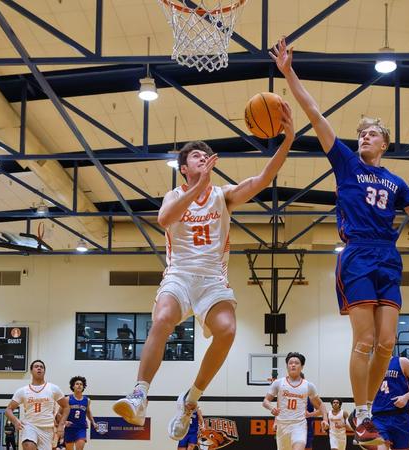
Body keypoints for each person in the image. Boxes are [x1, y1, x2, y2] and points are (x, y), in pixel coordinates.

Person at [270, 37, 409, 446]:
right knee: (365, 340)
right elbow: (315, 113)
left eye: (372, 134)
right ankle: (361, 411)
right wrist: (289, 72)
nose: (364, 138)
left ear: (384, 143)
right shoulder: (345, 163)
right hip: (357, 252)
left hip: (388, 257)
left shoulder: (395, 181)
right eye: (361, 133)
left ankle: (366, 411)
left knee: (388, 343)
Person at [113, 103, 295, 444]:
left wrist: (288, 140)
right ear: (183, 168)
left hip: (212, 279)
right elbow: (164, 220)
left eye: (205, 155)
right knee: (162, 319)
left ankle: (191, 399)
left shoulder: (222, 196)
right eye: (195, 156)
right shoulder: (174, 195)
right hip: (180, 275)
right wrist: (199, 186)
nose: (202, 158)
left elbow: (263, 179)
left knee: (228, 330)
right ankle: (139, 394)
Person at [262, 353, 329, 450]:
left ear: (302, 367)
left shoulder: (308, 385)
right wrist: (271, 408)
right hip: (282, 425)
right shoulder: (278, 383)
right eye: (290, 363)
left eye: (296, 363)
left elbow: (320, 404)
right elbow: (265, 401)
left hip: (299, 425)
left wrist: (325, 419)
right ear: (287, 366)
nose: (293, 365)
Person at [5, 360, 69, 450]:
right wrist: (15, 421)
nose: (39, 368)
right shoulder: (23, 391)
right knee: (28, 445)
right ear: (31, 371)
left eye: (41, 367)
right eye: (36, 366)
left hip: (47, 428)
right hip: (30, 425)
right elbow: (8, 410)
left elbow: (66, 407)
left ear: (44, 371)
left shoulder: (53, 388)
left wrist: (61, 425)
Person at [368, 356, 409, 450]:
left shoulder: (402, 362)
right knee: (380, 447)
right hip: (379, 417)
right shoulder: (370, 365)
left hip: (401, 417)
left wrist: (405, 397)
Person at [64, 376, 96, 450]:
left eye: (81, 384)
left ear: (83, 387)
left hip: (81, 427)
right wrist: (64, 422)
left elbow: (88, 412)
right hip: (69, 427)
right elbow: (59, 413)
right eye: (77, 384)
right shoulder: (67, 399)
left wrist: (93, 422)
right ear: (73, 386)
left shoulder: (87, 400)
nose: (79, 385)